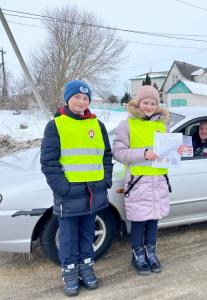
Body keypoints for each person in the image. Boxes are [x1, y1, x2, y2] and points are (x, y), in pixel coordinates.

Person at [40, 80, 113, 296]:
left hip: (94, 193)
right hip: (69, 195)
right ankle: (70, 271)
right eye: (76, 97)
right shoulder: (56, 125)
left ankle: (86, 267)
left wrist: (105, 180)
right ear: (67, 99)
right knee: (68, 237)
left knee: (88, 234)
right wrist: (63, 188)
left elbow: (106, 155)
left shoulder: (97, 125)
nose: (81, 101)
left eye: (85, 98)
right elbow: (49, 162)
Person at [113, 85, 172, 275]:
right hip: (138, 183)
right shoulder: (126, 125)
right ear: (138, 103)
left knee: (154, 219)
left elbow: (168, 150)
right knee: (139, 221)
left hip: (158, 181)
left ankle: (151, 253)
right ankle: (138, 255)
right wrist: (144, 154)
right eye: (145, 102)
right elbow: (119, 153)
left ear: (157, 105)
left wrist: (176, 151)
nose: (149, 106)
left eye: (153, 103)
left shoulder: (163, 125)